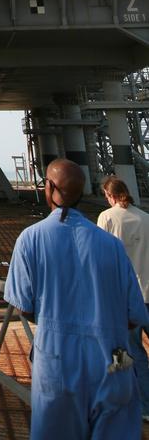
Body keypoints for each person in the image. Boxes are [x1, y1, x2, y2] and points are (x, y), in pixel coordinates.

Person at [4, 158, 146, 439]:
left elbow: (22, 306)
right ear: (82, 192)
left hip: (57, 363)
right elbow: (134, 315)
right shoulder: (112, 246)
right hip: (114, 361)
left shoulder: (30, 239)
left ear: (49, 188)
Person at [98, 176, 149, 421]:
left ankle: (139, 404)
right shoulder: (146, 218)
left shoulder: (107, 218)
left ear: (110, 195)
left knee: (128, 351)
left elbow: (99, 258)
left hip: (125, 297)